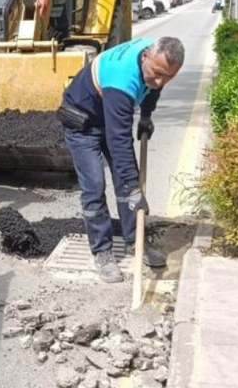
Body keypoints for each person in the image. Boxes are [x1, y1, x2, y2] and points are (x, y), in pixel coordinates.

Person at [58, 37, 185, 283]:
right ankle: (103, 253)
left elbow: (152, 90)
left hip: (108, 116)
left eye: (168, 77)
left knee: (127, 183)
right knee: (95, 186)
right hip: (82, 122)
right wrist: (135, 188)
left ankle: (134, 241)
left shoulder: (157, 58)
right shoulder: (121, 81)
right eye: (157, 73)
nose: (159, 81)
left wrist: (146, 116)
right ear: (146, 55)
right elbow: (119, 142)